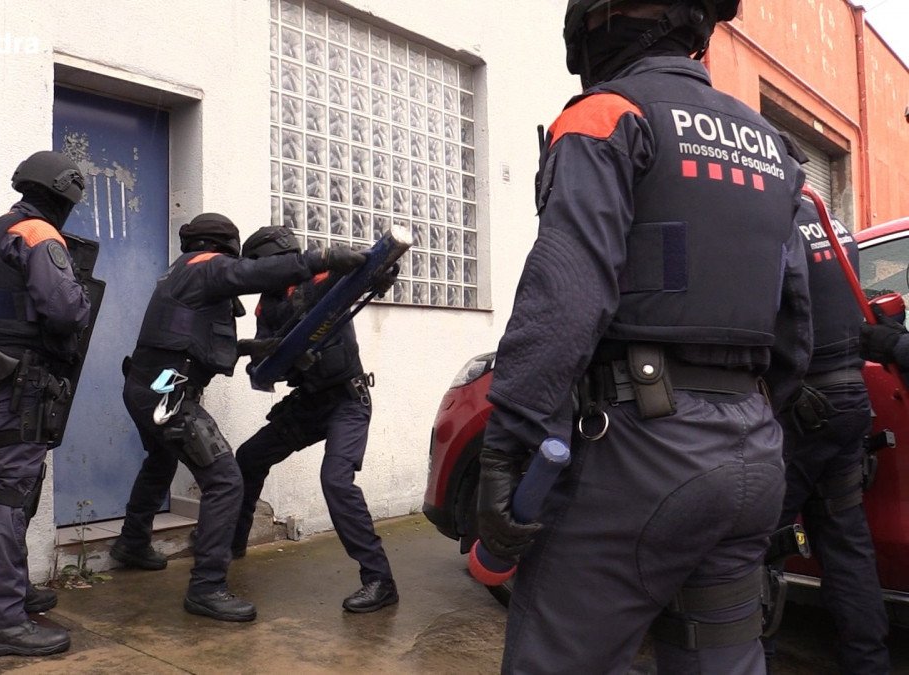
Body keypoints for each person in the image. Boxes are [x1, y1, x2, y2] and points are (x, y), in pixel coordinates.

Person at [476, 1, 813, 673]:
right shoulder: (774, 150)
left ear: (599, 31)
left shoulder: (607, 115)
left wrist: (504, 446)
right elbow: (795, 320)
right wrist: (746, 412)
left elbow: (566, 294)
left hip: (640, 455)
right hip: (753, 453)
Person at [114, 213, 366, 622]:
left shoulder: (180, 273)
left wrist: (255, 348)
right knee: (226, 479)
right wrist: (323, 258)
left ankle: (132, 542)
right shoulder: (206, 266)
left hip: (147, 385)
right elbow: (255, 274)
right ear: (227, 248)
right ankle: (207, 587)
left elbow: (189, 339)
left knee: (161, 461)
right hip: (168, 391)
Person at [0, 151, 90, 657]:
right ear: (64, 194)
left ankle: (16, 589)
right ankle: (3, 620)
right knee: (14, 490)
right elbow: (64, 309)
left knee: (20, 483)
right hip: (18, 382)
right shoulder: (38, 234)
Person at [231, 226, 398, 614]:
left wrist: (380, 273)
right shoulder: (266, 304)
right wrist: (279, 360)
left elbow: (364, 273)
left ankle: (379, 580)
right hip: (309, 402)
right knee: (250, 457)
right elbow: (261, 366)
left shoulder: (323, 276)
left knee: (335, 481)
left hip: (346, 400)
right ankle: (232, 544)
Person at [761, 195, 890, 673]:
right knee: (846, 544)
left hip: (801, 405)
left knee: (760, 544)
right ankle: (868, 663)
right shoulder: (831, 220)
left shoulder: (772, 216)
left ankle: (755, 660)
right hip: (849, 398)